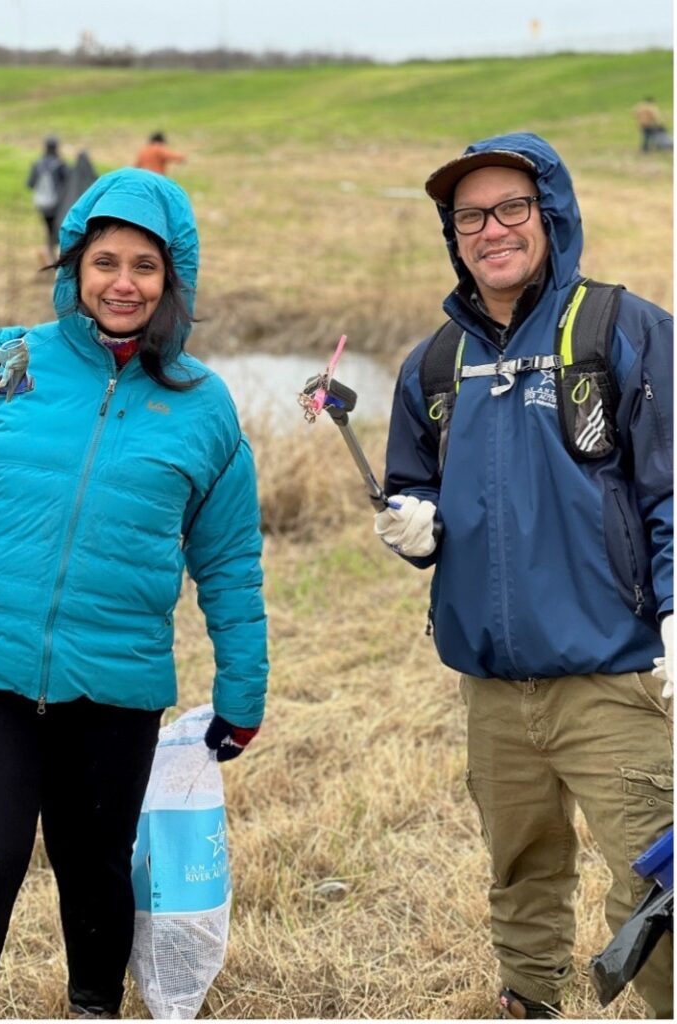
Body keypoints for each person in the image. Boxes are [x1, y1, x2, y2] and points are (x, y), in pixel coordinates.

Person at [0, 168, 268, 1019]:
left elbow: (229, 563)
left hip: (116, 676)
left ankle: (93, 1007)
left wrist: (242, 688)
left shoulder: (204, 407)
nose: (123, 282)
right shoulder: (13, 360)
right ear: (75, 266)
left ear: (173, 279)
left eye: (145, 266)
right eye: (105, 261)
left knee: (95, 864)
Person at [375, 133, 672, 1019]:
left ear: (552, 214)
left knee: (656, 884)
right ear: (452, 233)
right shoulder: (432, 365)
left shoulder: (627, 331)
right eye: (470, 216)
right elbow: (413, 484)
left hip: (615, 678)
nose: (491, 229)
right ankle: (529, 1004)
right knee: (520, 873)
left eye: (511, 208)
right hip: (495, 688)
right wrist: (413, 530)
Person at [26, 135, 68, 262]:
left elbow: (30, 184)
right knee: (56, 229)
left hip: (41, 203)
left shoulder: (37, 164)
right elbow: (67, 182)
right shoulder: (60, 165)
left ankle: (50, 254)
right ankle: (54, 256)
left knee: (49, 229)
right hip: (56, 204)